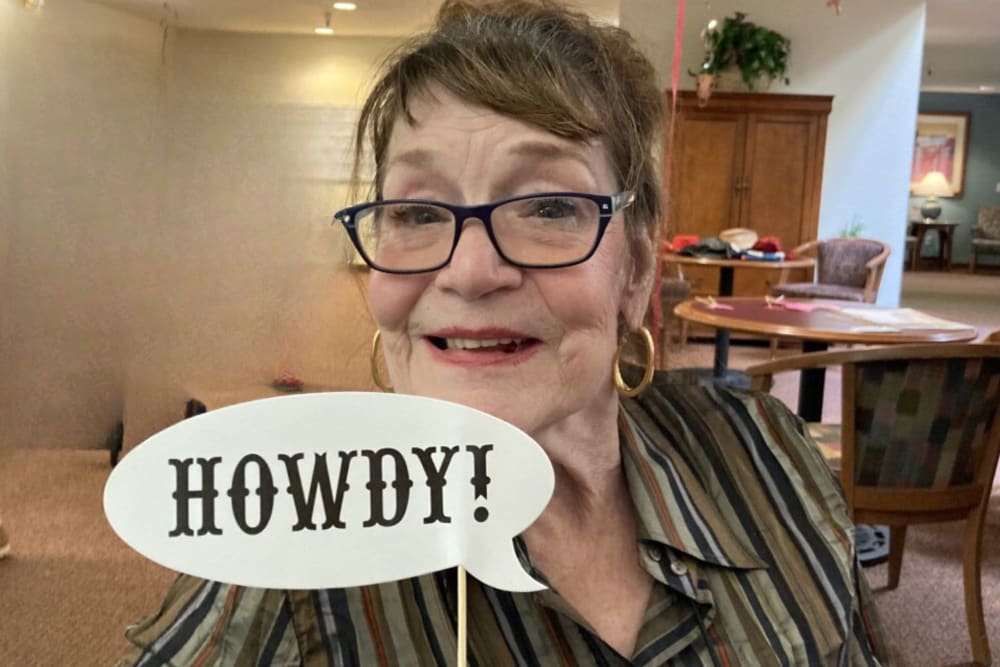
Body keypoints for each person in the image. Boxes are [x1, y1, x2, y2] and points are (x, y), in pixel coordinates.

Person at [119, 1, 891, 664]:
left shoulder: (770, 456)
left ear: (636, 265)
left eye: (549, 205)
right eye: (419, 213)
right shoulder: (284, 577)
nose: (471, 271)